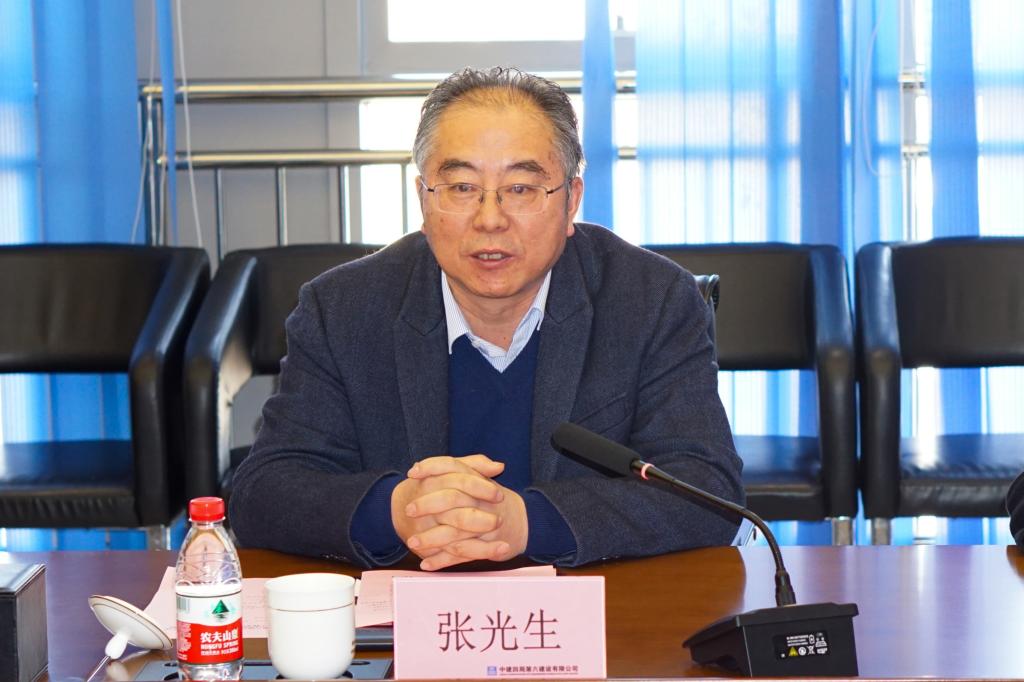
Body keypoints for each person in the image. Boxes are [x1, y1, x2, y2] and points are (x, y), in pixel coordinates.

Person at [228, 66, 743, 570]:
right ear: (424, 201)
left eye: (521, 188)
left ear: (570, 202)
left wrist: (526, 522)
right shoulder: (344, 308)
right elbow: (264, 491)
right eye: (461, 187)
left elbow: (707, 490)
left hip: (595, 609)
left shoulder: (651, 300)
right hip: (407, 606)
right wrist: (399, 510)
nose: (490, 218)